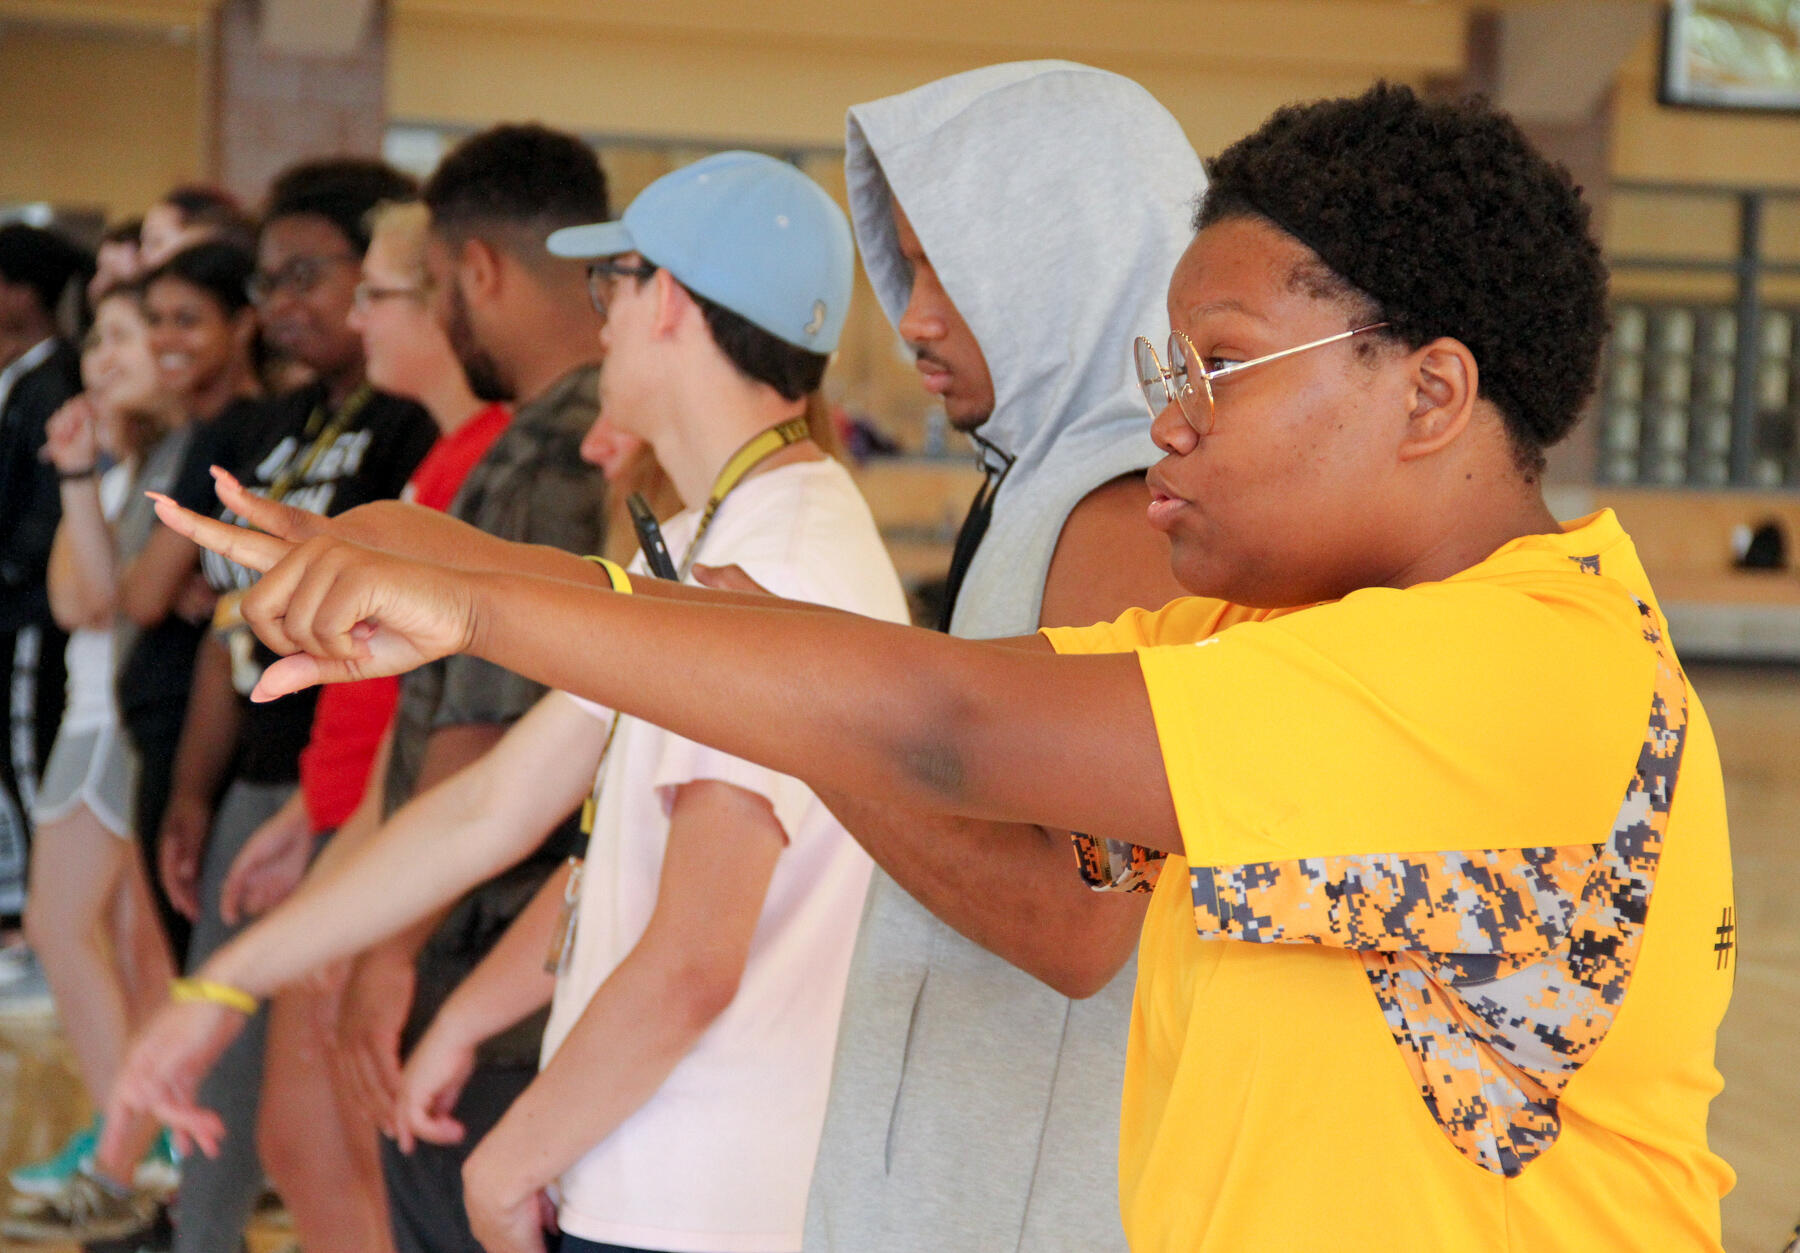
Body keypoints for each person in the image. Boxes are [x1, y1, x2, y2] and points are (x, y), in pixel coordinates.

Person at [128, 83, 1735, 1252]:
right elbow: (847, 667)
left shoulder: (1517, 673)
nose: (1171, 419)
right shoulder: (1269, 641)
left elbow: (941, 723)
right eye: (1166, 370)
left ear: (1434, 390)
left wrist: (478, 611)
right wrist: (455, 557)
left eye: (1222, 369)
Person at [112, 149, 906, 1253]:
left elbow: (693, 959)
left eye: (608, 291)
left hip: (701, 1197)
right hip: (654, 1174)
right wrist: (229, 986)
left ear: (665, 298)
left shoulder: (785, 560)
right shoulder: (725, 538)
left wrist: (514, 1155)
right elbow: (503, 804)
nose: (601, 328)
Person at [808, 62, 1196, 1251]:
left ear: (1064, 261)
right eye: (910, 265)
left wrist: (804, 715)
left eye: (952, 271)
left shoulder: (1127, 512)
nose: (915, 314)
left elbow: (1079, 924)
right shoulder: (1042, 480)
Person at [335, 125, 624, 1253]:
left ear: (479, 272)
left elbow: (485, 741)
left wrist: (389, 948)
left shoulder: (552, 449)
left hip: (494, 962)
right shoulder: (554, 437)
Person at [155, 157, 437, 1253]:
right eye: (267, 281)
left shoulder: (409, 433)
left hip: (354, 783)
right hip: (265, 772)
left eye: (311, 275)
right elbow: (232, 620)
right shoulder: (274, 425)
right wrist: (193, 785)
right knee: (224, 1049)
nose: (284, 303)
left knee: (317, 1105)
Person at [4, 284, 182, 1244]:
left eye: (128, 337)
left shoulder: (162, 465)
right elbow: (74, 595)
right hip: (89, 713)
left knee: (60, 926)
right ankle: (131, 1137)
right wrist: (80, 472)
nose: (106, 357)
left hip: (122, 722)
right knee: (114, 940)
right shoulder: (116, 468)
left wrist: (78, 477)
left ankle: (127, 1146)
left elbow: (100, 598)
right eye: (102, 339)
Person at [118, 240, 266, 962]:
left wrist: (168, 577)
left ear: (243, 324)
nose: (166, 338)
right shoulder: (184, 429)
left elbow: (141, 595)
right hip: (167, 721)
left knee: (200, 955)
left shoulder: (236, 429)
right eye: (156, 319)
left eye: (189, 319)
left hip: (199, 726)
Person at [0, 223, 90, 940]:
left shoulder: (52, 383)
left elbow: (42, 509)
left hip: (30, 615)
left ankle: (41, 917)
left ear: (21, 293)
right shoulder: (24, 379)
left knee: (31, 757)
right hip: (16, 606)